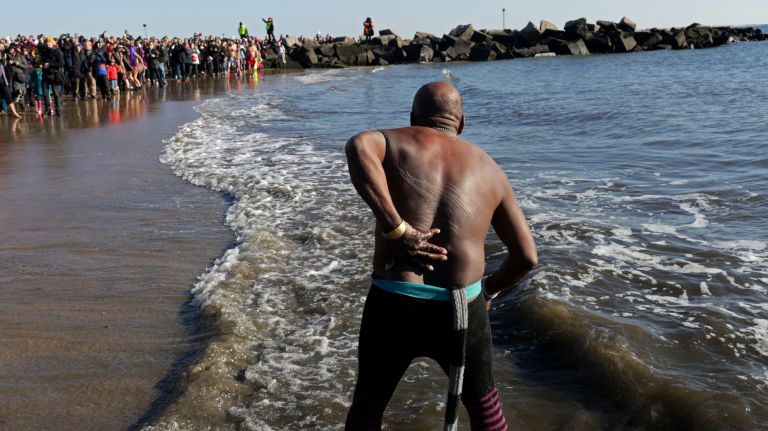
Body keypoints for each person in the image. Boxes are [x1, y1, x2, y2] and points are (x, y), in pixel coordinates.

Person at [344, 82, 538, 431]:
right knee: (487, 415)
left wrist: (398, 230)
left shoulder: (393, 141)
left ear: (412, 117)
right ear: (461, 124)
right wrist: (490, 290)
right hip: (462, 309)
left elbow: (358, 145)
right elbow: (526, 257)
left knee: (367, 411)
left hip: (394, 302)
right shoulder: (490, 169)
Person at [40, 37, 65, 116]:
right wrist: (41, 64)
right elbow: (42, 60)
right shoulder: (45, 51)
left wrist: (50, 65)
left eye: (49, 42)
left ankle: (58, 110)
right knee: (45, 94)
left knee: (56, 93)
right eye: (47, 42)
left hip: (54, 74)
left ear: (53, 43)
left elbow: (61, 63)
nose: (48, 44)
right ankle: (47, 110)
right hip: (45, 75)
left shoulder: (58, 51)